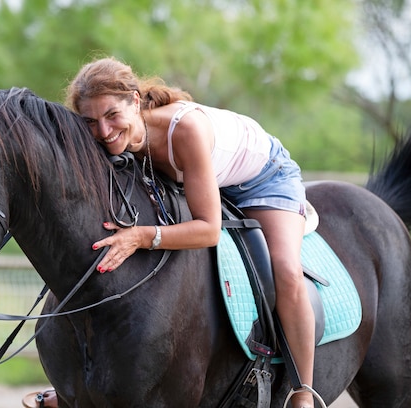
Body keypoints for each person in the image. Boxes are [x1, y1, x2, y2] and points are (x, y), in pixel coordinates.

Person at [27, 56, 316, 408]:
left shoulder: (185, 130)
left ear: (134, 102)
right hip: (203, 175)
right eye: (90, 121)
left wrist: (140, 236)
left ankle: (303, 390)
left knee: (285, 268)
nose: (103, 132)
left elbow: (209, 231)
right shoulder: (105, 138)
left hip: (263, 178)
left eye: (112, 116)